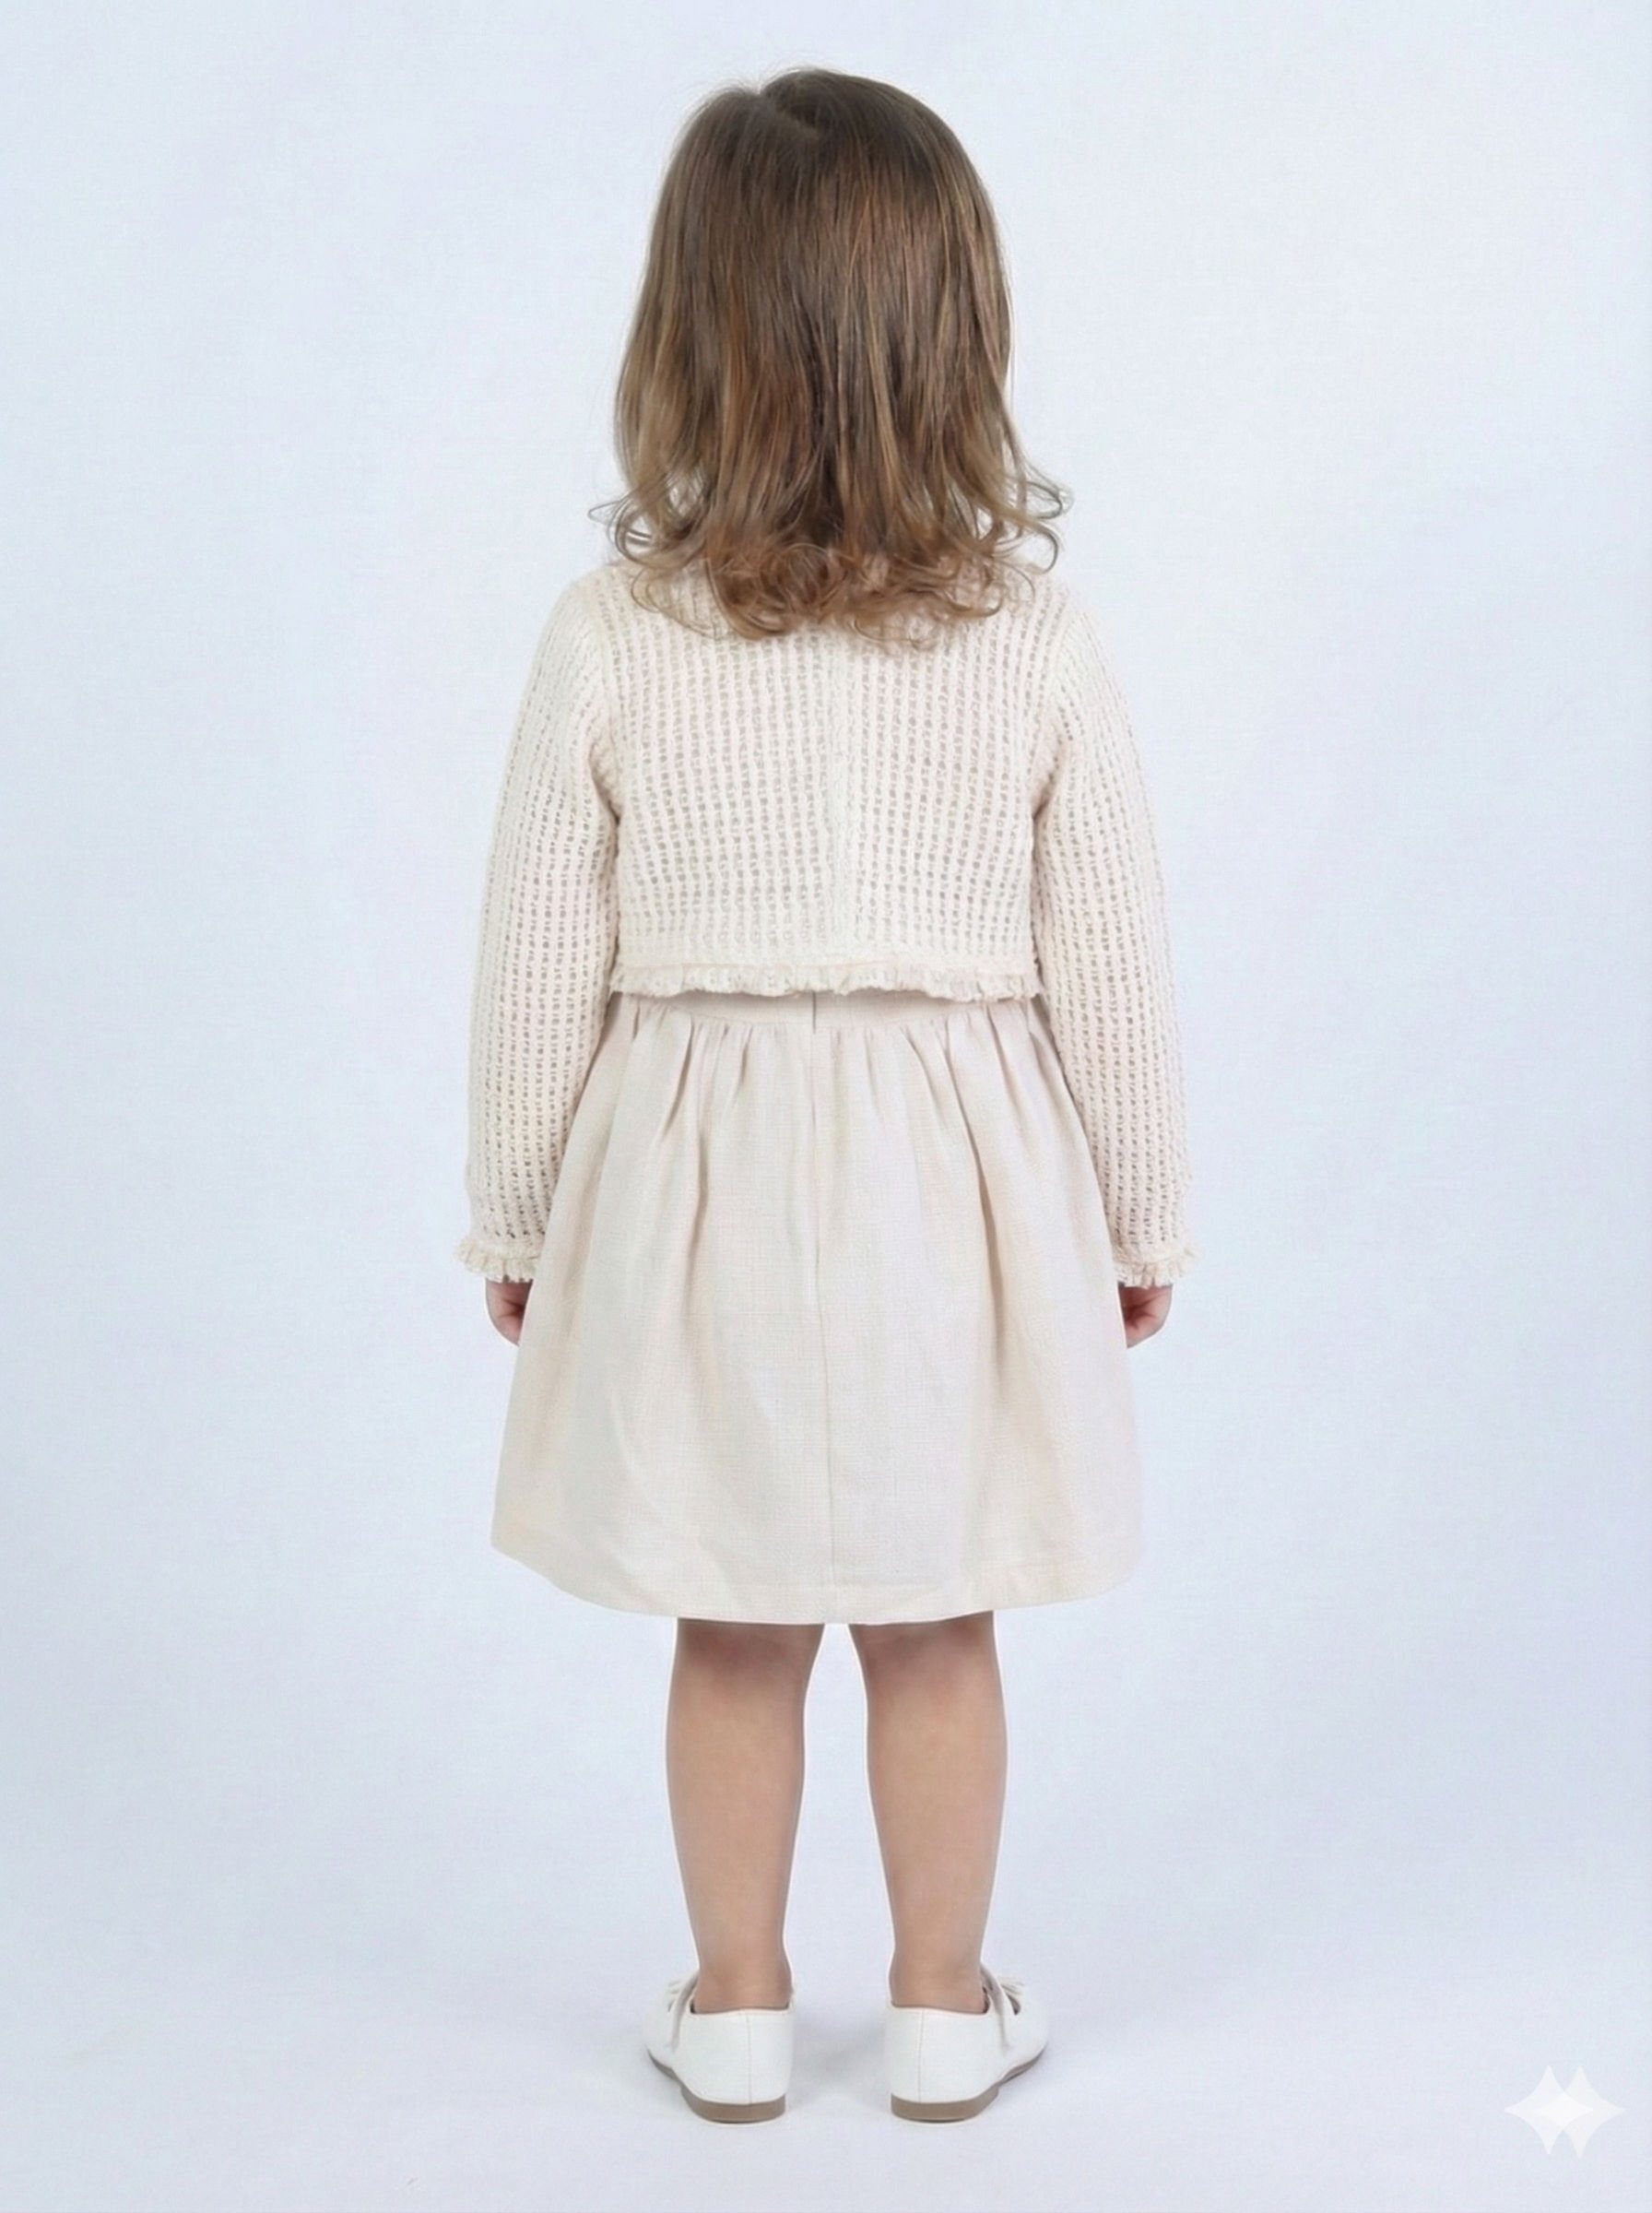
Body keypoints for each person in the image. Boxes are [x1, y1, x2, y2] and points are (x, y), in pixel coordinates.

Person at [455, 66, 1197, 2126]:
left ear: (686, 334)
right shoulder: (1032, 638)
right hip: (958, 1183)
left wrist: (517, 1213)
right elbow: (1115, 955)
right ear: (954, 332)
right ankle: (944, 2010)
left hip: (694, 1181)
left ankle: (737, 2007)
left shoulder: (609, 635)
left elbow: (532, 956)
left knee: (733, 1613)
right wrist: (1140, 1215)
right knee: (936, 1616)